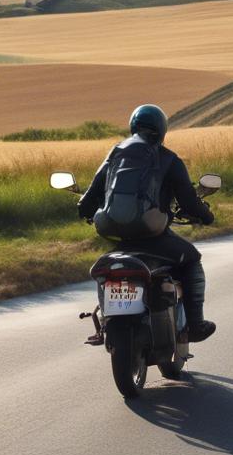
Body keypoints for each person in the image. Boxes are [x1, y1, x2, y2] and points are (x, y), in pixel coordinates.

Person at [80, 104, 217, 342]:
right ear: (162, 130)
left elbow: (88, 199)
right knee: (192, 258)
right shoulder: (169, 159)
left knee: (108, 268)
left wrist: (87, 211)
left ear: (133, 126)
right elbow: (188, 201)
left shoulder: (115, 153)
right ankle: (195, 324)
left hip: (116, 237)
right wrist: (205, 215)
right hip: (153, 237)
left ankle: (103, 325)